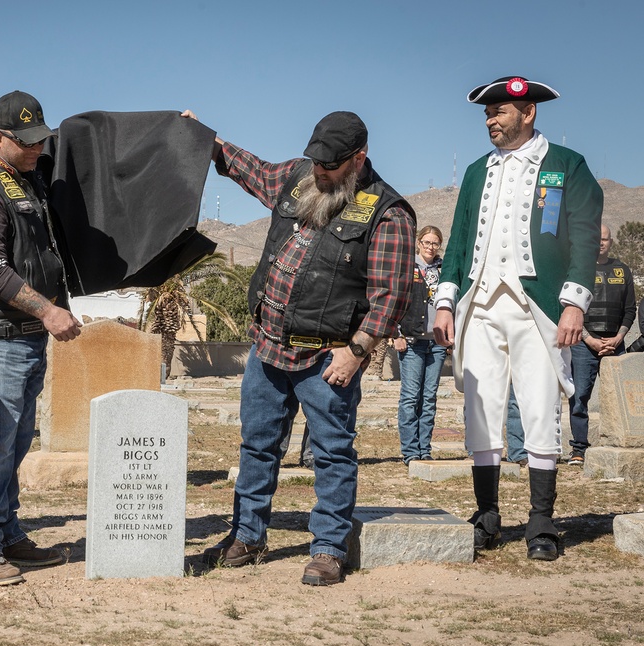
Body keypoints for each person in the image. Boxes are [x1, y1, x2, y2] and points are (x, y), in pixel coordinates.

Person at [184, 109, 415, 586]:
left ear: (358, 158)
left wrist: (358, 350)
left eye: (331, 163)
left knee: (332, 453)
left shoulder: (387, 212)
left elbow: (390, 294)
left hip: (328, 358)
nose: (320, 171)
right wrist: (208, 139)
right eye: (316, 160)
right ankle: (247, 535)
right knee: (258, 445)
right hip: (267, 349)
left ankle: (329, 547)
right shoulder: (296, 177)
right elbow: (249, 170)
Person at [433, 76, 602, 561]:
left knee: (539, 404)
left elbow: (585, 236)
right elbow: (460, 241)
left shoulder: (567, 166)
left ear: (527, 112)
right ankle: (486, 516)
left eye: (500, 111)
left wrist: (574, 302)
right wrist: (446, 301)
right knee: (481, 409)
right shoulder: (474, 172)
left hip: (539, 307)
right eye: (487, 113)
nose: (490, 120)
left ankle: (542, 521)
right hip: (481, 306)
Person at [0, 91, 81, 586]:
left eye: (39, 142)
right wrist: (47, 310)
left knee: (17, 442)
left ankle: (6, 531)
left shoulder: (24, 177)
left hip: (22, 337)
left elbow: (82, 143)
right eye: (25, 143)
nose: (36, 151)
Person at [567, 225, 636, 465]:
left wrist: (618, 338)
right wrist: (590, 340)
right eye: (597, 239)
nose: (601, 243)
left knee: (619, 397)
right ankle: (578, 449)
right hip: (584, 344)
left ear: (611, 241)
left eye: (605, 239)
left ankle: (615, 443)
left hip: (615, 344)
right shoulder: (578, 270)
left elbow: (630, 310)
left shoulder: (622, 270)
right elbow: (571, 308)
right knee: (579, 398)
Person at [393, 226, 448, 464]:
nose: (430, 247)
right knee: (410, 397)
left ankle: (424, 449)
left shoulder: (444, 269)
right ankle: (410, 451)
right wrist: (395, 334)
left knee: (429, 398)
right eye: (426, 242)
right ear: (418, 243)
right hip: (412, 340)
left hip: (436, 342)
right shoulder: (406, 266)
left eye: (435, 243)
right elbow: (394, 299)